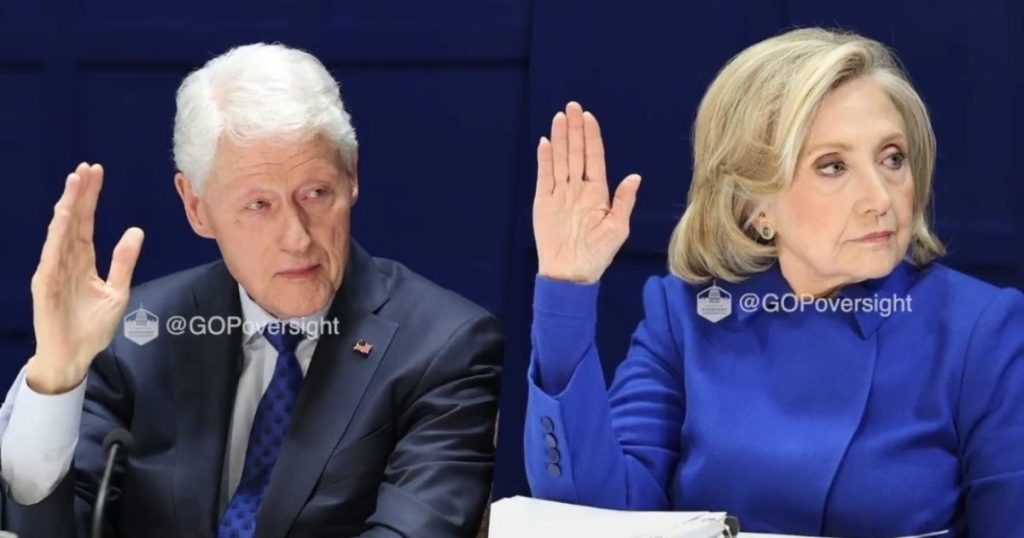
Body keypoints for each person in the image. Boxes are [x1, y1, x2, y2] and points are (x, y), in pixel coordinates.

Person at [524, 28, 1024, 537]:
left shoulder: (982, 331)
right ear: (755, 204)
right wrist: (568, 288)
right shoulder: (686, 315)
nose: (881, 197)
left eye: (892, 158)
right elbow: (597, 518)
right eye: (833, 166)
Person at [0, 43, 503, 538]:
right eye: (259, 205)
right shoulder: (132, 336)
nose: (297, 238)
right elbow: (52, 529)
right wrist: (56, 378)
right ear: (196, 207)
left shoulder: (445, 348)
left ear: (351, 176)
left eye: (316, 193)